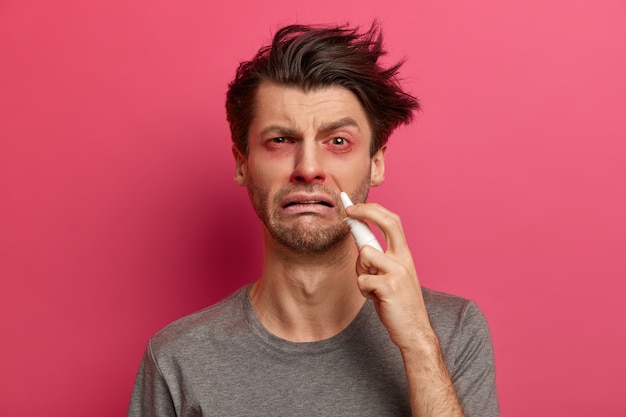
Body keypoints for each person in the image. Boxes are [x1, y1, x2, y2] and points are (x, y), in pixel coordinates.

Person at [128, 22, 500, 417]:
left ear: (375, 163)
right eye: (280, 140)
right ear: (242, 164)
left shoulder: (452, 331)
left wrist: (418, 345)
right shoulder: (177, 359)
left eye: (338, 141)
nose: (308, 168)